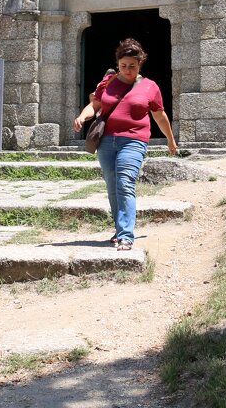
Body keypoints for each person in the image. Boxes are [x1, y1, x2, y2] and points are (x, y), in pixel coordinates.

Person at [71, 38, 177, 251]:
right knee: (112, 188)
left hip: (134, 140)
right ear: (118, 64)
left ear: (140, 65)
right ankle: (120, 229)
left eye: (132, 66)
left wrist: (170, 140)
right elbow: (96, 104)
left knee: (124, 183)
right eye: (123, 66)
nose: (127, 70)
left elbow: (159, 115)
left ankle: (126, 236)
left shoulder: (150, 87)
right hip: (107, 142)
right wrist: (83, 116)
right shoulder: (108, 83)